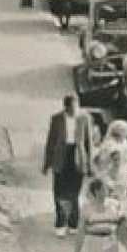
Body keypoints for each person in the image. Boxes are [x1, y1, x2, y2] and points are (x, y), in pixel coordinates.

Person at [42, 95, 96, 236]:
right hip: (61, 157)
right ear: (65, 107)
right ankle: (60, 223)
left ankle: (73, 223)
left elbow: (89, 142)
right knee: (59, 191)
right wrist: (47, 163)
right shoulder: (57, 119)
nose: (74, 111)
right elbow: (51, 141)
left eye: (76, 107)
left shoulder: (85, 118)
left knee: (75, 192)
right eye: (71, 108)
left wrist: (90, 164)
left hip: (78, 157)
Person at [91, 120, 127, 217]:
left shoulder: (124, 141)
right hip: (114, 175)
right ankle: (113, 218)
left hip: (124, 172)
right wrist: (106, 174)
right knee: (115, 199)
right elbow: (101, 159)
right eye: (126, 131)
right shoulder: (110, 144)